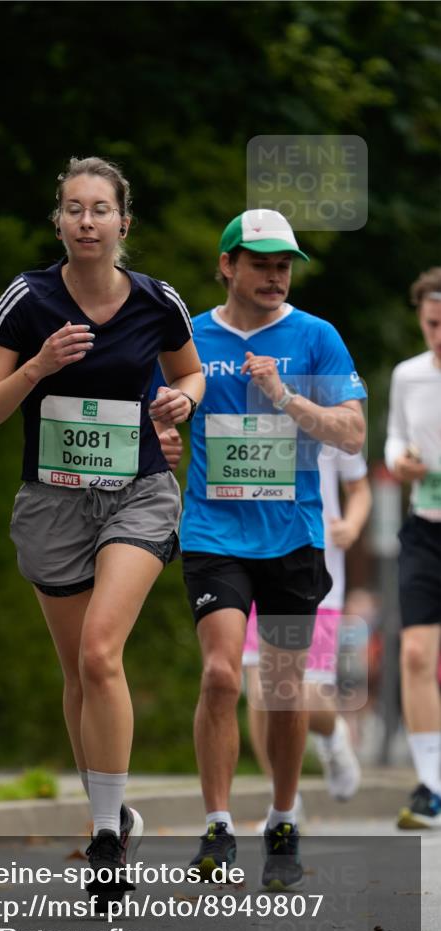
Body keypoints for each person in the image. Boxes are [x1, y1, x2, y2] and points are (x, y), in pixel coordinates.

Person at [0, 157, 204, 891]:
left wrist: (182, 403)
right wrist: (36, 367)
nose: (87, 221)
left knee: (101, 653)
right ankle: (112, 812)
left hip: (137, 491)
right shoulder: (27, 301)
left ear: (122, 223)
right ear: (58, 223)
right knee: (76, 673)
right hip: (53, 503)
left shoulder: (158, 302)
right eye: (73, 209)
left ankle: (104, 839)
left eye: (100, 209)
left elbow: (189, 372)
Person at [179, 209, 366, 889]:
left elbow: (349, 433)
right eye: (258, 263)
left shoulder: (315, 338)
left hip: (294, 538)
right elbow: (155, 415)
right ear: (226, 265)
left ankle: (283, 817)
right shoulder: (190, 336)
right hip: (212, 533)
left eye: (282, 264)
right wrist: (164, 432)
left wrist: (285, 397)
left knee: (284, 689)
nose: (273, 276)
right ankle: (218, 826)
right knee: (222, 676)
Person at [245, 445, 371, 808]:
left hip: (317, 573)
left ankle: (333, 733)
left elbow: (360, 489)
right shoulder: (244, 396)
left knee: (298, 693)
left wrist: (352, 524)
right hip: (253, 556)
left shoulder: (328, 399)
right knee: (260, 690)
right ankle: (283, 802)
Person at [385, 266, 441, 829]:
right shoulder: (408, 376)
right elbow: (395, 437)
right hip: (425, 527)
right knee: (416, 654)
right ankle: (431, 784)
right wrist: (399, 461)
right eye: (432, 324)